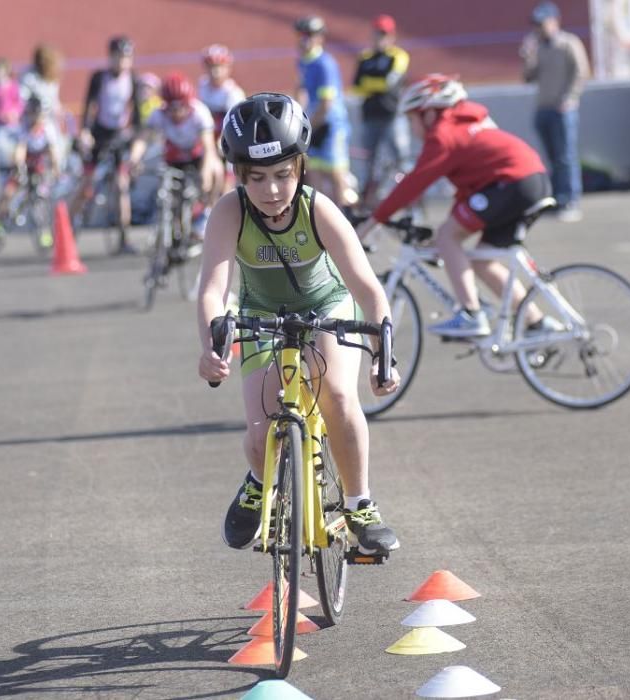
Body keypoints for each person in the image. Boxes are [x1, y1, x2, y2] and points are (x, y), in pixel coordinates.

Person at [196, 92, 400, 556]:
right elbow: (212, 289)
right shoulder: (230, 212)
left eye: (283, 175)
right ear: (240, 176)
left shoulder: (318, 208)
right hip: (262, 314)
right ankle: (257, 478)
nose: (271, 190)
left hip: (325, 305)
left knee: (339, 396)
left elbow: (367, 287)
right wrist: (211, 346)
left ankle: (359, 505)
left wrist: (383, 356)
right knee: (259, 433)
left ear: (301, 168)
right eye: (258, 178)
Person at [354, 74, 558, 338]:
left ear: (428, 114)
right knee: (483, 261)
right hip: (529, 180)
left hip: (513, 184)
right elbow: (468, 191)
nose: (411, 127)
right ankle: (536, 323)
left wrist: (371, 223)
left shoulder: (442, 135)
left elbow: (412, 185)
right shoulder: (466, 124)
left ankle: (471, 314)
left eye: (411, 119)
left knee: (448, 236)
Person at [73, 36, 145, 254]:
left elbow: (138, 118)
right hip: (98, 135)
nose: (122, 62)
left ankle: (124, 237)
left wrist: (135, 147)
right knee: (87, 185)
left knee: (122, 186)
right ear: (110, 57)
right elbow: (89, 106)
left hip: (119, 136)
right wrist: (85, 132)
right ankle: (65, 229)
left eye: (126, 57)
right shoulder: (99, 78)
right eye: (118, 57)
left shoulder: (133, 79)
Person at [520, 1, 590, 222]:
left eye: (542, 24)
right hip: (543, 108)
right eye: (536, 25)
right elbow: (528, 77)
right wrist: (527, 56)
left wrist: (569, 99)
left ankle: (571, 200)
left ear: (554, 22)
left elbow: (581, 72)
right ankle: (558, 199)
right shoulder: (539, 48)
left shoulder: (568, 43)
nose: (539, 29)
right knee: (552, 158)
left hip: (563, 110)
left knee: (566, 157)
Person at [132, 72, 223, 237]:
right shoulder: (159, 114)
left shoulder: (199, 113)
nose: (177, 112)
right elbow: (142, 139)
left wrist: (206, 171)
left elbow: (209, 148)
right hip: (173, 157)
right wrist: (134, 159)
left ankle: (208, 211)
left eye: (181, 107)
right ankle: (171, 221)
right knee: (167, 189)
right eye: (172, 108)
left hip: (197, 156)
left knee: (216, 170)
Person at [294, 16, 356, 208]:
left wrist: (307, 127)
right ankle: (319, 217)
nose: (305, 39)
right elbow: (302, 89)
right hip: (315, 121)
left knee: (336, 173)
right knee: (313, 172)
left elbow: (326, 103)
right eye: (302, 35)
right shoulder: (304, 61)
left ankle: (348, 218)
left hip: (330, 125)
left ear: (320, 38)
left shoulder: (325, 64)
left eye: (310, 35)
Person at [352, 14, 412, 206]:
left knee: (401, 158)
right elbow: (356, 86)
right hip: (370, 117)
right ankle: (370, 201)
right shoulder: (365, 58)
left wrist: (370, 84)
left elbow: (389, 83)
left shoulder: (398, 56)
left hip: (392, 116)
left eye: (384, 34)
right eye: (377, 33)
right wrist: (374, 84)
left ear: (391, 36)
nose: (380, 38)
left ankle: (410, 197)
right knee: (370, 162)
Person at [0, 96, 60, 245]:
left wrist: (55, 169)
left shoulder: (48, 129)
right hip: (23, 164)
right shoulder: (24, 127)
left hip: (38, 166)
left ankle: (43, 230)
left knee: (40, 198)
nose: (35, 118)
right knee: (9, 192)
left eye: (38, 114)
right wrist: (20, 167)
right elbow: (20, 150)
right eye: (33, 114)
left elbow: (52, 151)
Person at [18, 44, 65, 166]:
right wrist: (34, 115)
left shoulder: (52, 77)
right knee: (21, 144)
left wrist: (58, 111)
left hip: (47, 119)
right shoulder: (29, 77)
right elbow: (22, 99)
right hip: (32, 119)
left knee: (55, 145)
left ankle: (56, 171)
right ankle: (20, 168)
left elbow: (54, 99)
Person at [197, 44, 246, 141]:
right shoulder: (202, 84)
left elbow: (237, 124)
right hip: (206, 132)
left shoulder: (233, 93)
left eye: (219, 67)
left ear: (228, 68)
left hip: (225, 135)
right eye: (211, 67)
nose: (215, 72)